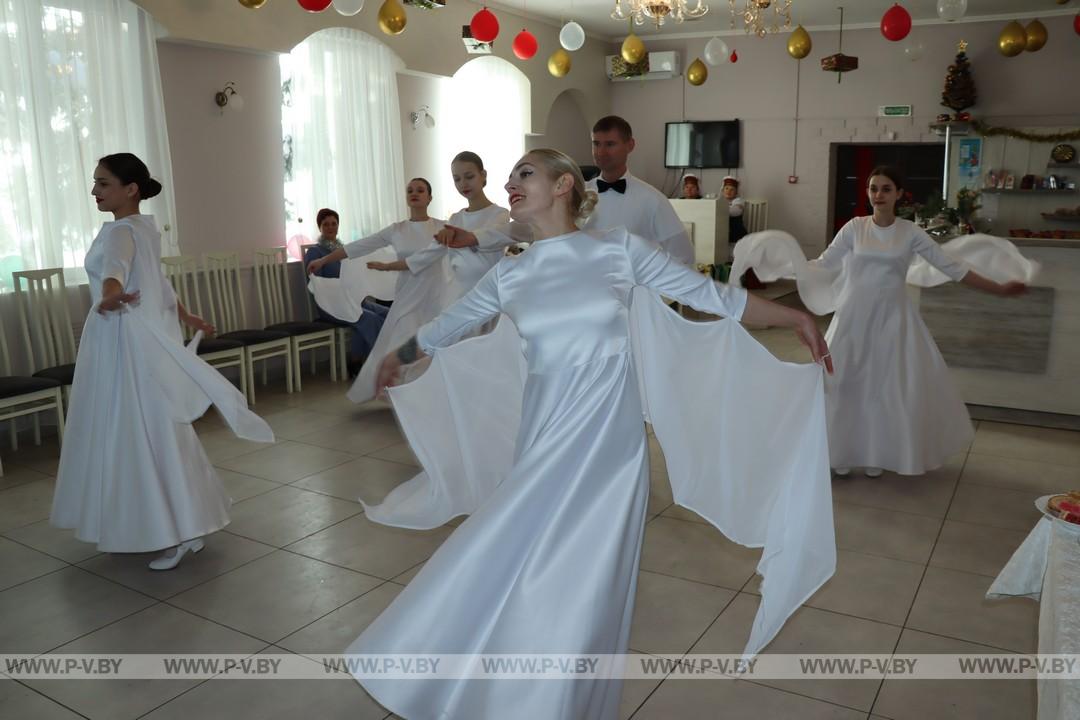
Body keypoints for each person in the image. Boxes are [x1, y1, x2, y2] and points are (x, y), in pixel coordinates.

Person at [346, 149, 832, 718]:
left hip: (610, 452)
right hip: (544, 442)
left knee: (587, 586)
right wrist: (398, 356)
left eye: (524, 173)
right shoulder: (512, 273)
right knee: (504, 550)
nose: (510, 183)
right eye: (510, 176)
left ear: (563, 186)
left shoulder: (617, 250)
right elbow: (444, 327)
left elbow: (714, 297)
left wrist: (795, 316)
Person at [50, 153, 273, 569]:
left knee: (140, 430)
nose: (94, 190)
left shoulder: (121, 231)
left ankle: (177, 530)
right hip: (132, 339)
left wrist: (111, 295)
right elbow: (157, 281)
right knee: (159, 428)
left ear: (130, 188)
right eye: (95, 182)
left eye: (103, 183)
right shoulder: (143, 228)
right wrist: (185, 315)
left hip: (124, 342)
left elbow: (117, 271)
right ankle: (183, 523)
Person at [816, 166, 1026, 477]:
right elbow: (824, 264)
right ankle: (840, 452)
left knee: (886, 386)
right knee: (843, 382)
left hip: (893, 318)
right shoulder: (854, 228)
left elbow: (952, 267)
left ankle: (877, 453)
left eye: (886, 189)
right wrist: (789, 264)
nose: (878, 195)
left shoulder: (910, 232)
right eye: (873, 188)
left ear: (899, 194)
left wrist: (998, 289)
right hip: (853, 316)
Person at [435, 116, 695, 270]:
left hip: (631, 304)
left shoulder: (652, 200)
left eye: (610, 144)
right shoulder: (573, 192)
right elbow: (521, 229)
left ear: (630, 145)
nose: (601, 152)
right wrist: (474, 237)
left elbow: (683, 257)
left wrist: (653, 298)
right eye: (596, 144)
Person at [306, 179, 447, 404]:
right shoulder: (397, 230)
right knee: (404, 341)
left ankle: (434, 392)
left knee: (433, 342)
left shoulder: (443, 227)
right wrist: (324, 260)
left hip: (434, 293)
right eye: (410, 190)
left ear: (429, 197)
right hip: (408, 294)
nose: (414, 193)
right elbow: (359, 246)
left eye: (420, 190)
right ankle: (405, 394)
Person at [403, 151, 517, 306]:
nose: (463, 183)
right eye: (457, 179)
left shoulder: (500, 214)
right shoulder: (455, 219)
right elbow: (432, 252)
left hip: (487, 295)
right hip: (456, 295)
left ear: (483, 175)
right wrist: (395, 265)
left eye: (469, 177)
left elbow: (487, 241)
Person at [303, 207, 389, 376]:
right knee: (368, 318)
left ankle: (358, 361)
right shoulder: (315, 252)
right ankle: (379, 363)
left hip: (353, 300)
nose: (330, 227)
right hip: (331, 305)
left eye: (334, 223)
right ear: (319, 227)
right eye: (326, 224)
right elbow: (316, 284)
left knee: (388, 313)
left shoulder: (344, 250)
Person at [722, 175, 747, 243]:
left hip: (736, 235)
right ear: (723, 190)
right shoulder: (721, 201)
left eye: (732, 189)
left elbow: (734, 212)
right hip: (724, 233)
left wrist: (719, 209)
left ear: (736, 192)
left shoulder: (739, 201)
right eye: (726, 188)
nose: (728, 191)